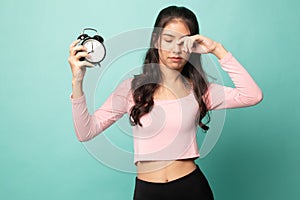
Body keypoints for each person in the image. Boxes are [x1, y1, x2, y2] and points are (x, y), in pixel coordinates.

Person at [68, 5, 263, 200]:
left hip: (192, 189)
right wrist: (77, 81)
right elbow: (85, 132)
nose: (175, 49)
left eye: (183, 42)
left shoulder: (200, 90)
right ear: (156, 40)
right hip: (147, 192)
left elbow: (252, 95)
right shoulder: (131, 88)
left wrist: (217, 50)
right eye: (168, 40)